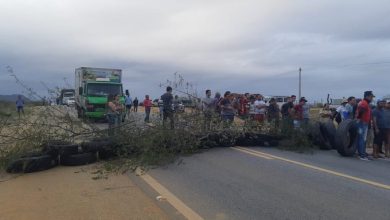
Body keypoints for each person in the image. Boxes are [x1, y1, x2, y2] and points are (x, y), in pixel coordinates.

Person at [356, 91, 374, 161]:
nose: (372, 98)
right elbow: (360, 112)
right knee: (362, 139)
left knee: (362, 139)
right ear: (367, 96)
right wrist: (360, 120)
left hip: (363, 123)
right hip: (362, 123)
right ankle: (362, 155)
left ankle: (361, 153)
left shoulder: (365, 103)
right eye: (371, 97)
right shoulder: (364, 103)